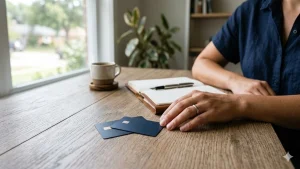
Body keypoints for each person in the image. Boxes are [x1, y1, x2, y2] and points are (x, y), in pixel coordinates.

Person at [160, 0, 300, 167]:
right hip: (252, 145)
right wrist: (236, 82)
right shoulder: (250, 10)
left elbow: (240, 103)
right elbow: (201, 63)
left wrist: (239, 103)